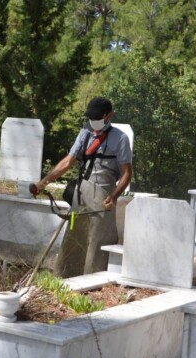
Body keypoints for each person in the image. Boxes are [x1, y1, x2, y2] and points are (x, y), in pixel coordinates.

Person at [35, 97, 132, 277]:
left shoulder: (120, 139)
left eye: (97, 117)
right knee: (74, 236)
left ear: (108, 115)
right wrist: (44, 182)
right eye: (91, 117)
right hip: (80, 193)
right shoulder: (85, 132)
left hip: (103, 194)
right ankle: (64, 278)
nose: (92, 121)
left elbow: (127, 173)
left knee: (97, 242)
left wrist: (115, 196)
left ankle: (92, 283)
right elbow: (68, 162)